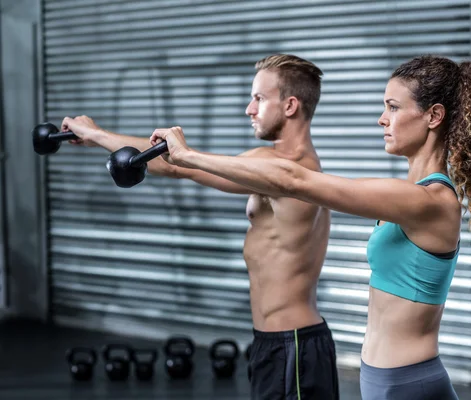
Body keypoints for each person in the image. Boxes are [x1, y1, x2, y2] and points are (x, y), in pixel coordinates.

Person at [149, 54, 471, 399]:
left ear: (433, 116)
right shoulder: (411, 195)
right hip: (384, 381)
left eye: (393, 107)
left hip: (409, 384)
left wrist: (189, 155)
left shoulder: (430, 201)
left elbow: (295, 180)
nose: (382, 118)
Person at [61, 54, 340, 400]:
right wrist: (98, 139)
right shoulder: (278, 163)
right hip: (281, 343)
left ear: (290, 105)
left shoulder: (288, 168)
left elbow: (180, 166)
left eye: (259, 98)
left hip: (292, 345)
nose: (248, 109)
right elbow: (174, 163)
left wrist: (98, 134)